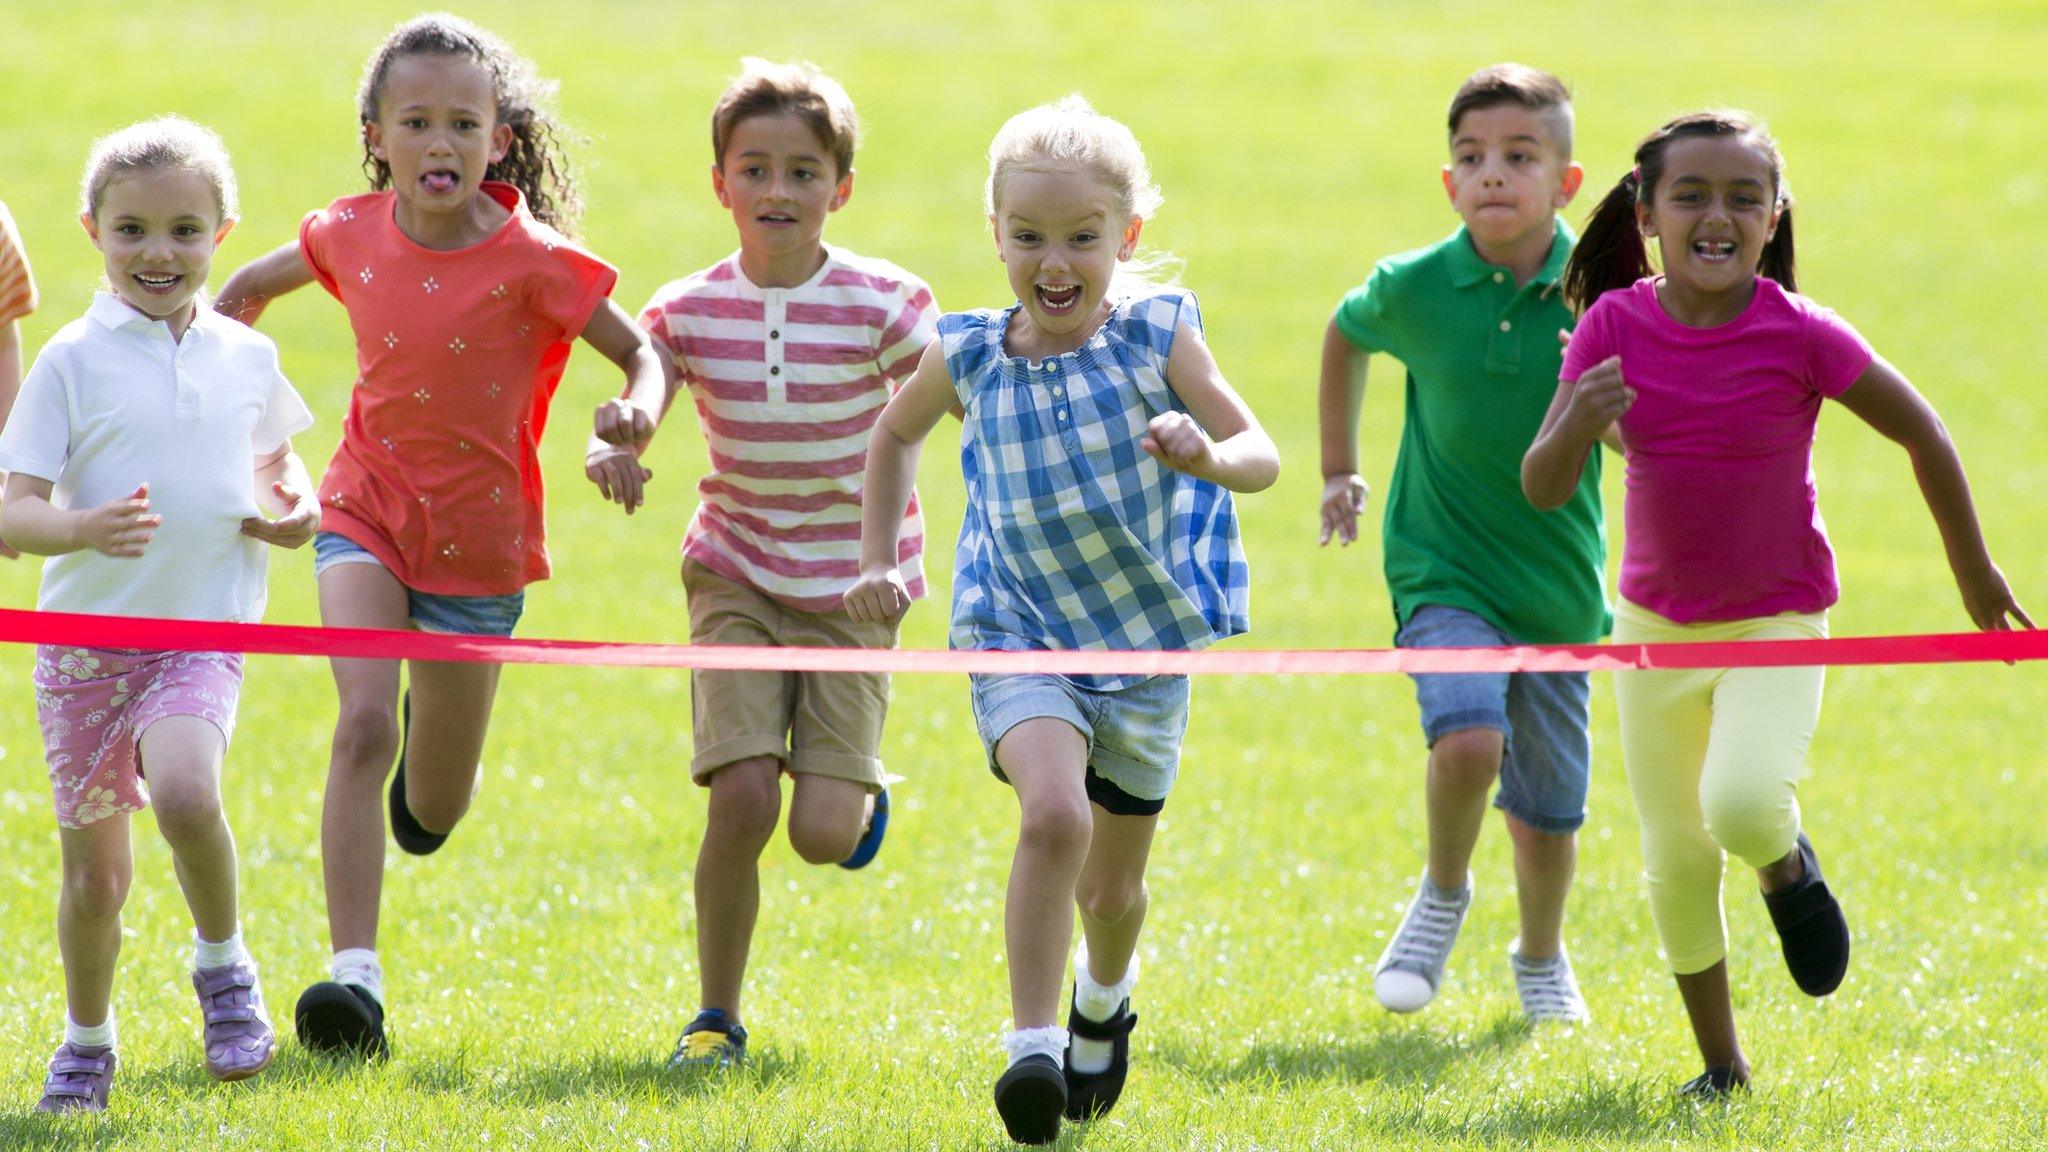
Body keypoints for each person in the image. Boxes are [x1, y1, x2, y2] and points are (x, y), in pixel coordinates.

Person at [1522, 109, 2030, 1096]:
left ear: (1772, 215)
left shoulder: (1797, 332)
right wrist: (1574, 424)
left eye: (1741, 199)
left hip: (1775, 619)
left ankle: (1783, 864)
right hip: (1649, 630)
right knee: (1674, 862)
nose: (1716, 217)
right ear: (1644, 211)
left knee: (1744, 803)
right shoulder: (1609, 326)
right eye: (1690, 196)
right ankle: (1721, 1070)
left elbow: (1922, 432)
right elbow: (1541, 485)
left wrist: (1971, 572)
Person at [213, 12, 666, 1060]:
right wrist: (222, 433)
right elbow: (241, 297)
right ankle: (353, 982)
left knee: (433, 801)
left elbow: (638, 350)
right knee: (361, 725)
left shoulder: (537, 260)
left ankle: (424, 802)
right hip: (362, 511)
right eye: (415, 122)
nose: (440, 143)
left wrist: (634, 414)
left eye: (464, 123)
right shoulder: (346, 232)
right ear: (377, 136)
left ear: (500, 139)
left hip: (481, 553)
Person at [846, 95, 1279, 1146]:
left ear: (1123, 238)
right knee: (1052, 817)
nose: (1054, 260)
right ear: (994, 233)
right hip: (1016, 627)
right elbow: (891, 437)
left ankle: (1101, 998)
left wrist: (1204, 457)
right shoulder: (968, 353)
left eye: (1081, 238)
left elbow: (1258, 452)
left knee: (1114, 888)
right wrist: (878, 560)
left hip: (1142, 644)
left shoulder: (1157, 336)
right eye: (1028, 236)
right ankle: (1030, 1047)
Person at [0, 117, 318, 1112]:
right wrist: (81, 529)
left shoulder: (244, 356)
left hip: (201, 633)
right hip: (85, 651)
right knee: (96, 882)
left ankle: (223, 970)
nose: (158, 252)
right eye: (132, 229)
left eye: (184, 229)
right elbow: (13, 506)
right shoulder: (68, 361)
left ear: (223, 233)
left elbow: (277, 461)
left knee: (185, 790)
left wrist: (294, 508)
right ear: (92, 229)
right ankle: (86, 1041)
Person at [638, 58, 939, 1069]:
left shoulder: (886, 303)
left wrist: (893, 561)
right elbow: (649, 386)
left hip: (856, 584)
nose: (778, 192)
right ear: (718, 181)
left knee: (817, 831)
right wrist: (619, 441)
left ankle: (855, 797)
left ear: (839, 187)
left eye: (803, 172)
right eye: (754, 169)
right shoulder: (684, 308)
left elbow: (944, 400)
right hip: (734, 573)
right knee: (742, 797)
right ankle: (714, 1017)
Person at [1318, 63, 1604, 1024]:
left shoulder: (1602, 295)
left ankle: (1539, 954)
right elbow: (1344, 333)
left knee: (1549, 817)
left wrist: (1609, 414)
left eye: (1519, 157)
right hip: (1442, 571)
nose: (1492, 175)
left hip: (1560, 590)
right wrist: (1337, 468)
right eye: (1472, 157)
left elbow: (1639, 431)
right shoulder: (1413, 286)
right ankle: (1442, 895)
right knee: (1470, 735)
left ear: (1566, 183)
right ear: (1448, 182)